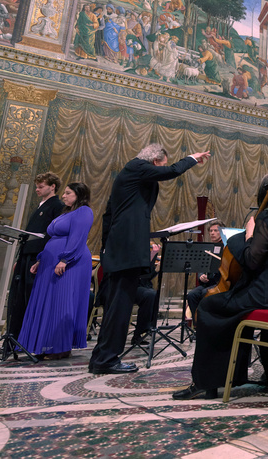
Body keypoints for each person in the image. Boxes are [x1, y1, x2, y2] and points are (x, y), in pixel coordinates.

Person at [173, 173, 268, 400]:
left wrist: (249, 234)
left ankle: (206, 382)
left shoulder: (266, 219)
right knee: (241, 311)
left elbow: (252, 260)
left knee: (208, 306)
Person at [89, 144, 209, 375]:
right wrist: (192, 158)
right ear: (155, 161)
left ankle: (101, 357)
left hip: (118, 249)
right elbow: (171, 172)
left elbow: (108, 215)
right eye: (160, 165)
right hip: (126, 250)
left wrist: (107, 249)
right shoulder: (138, 167)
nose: (159, 170)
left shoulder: (128, 175)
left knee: (116, 307)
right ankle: (107, 359)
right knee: (120, 307)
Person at [18, 182, 94, 360]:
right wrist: (41, 258)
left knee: (62, 301)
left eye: (68, 193)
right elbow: (54, 238)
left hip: (71, 263)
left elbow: (78, 238)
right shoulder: (66, 212)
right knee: (49, 303)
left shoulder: (84, 211)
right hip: (51, 262)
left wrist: (65, 259)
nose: (64, 196)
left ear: (79, 194)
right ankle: (47, 343)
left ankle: (61, 347)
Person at [9, 172, 66, 340]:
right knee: (18, 298)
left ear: (52, 186)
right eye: (36, 186)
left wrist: (43, 258)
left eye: (41, 186)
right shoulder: (40, 206)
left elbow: (53, 235)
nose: (37, 189)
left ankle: (27, 337)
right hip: (27, 255)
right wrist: (19, 258)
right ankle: (14, 337)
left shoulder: (57, 206)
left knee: (29, 296)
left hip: (38, 256)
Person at [184, 221, 225, 321]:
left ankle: (208, 323)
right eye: (211, 231)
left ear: (222, 232)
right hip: (208, 283)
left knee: (204, 293)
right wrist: (201, 276)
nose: (212, 233)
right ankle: (197, 324)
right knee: (192, 295)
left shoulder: (226, 248)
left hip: (220, 284)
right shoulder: (208, 248)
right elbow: (201, 267)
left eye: (216, 230)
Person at [131, 242, 162, 347]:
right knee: (150, 295)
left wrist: (156, 271)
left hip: (142, 286)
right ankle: (139, 333)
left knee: (153, 294)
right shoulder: (132, 249)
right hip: (128, 286)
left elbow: (146, 277)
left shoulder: (150, 250)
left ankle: (148, 329)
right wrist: (151, 255)